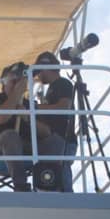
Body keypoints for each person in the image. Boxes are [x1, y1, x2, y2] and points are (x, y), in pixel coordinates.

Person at [0, 62, 66, 191]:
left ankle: (47, 184)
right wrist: (17, 93)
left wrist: (28, 117)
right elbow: (1, 118)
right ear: (3, 83)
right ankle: (21, 186)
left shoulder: (29, 104)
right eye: (13, 81)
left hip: (24, 147)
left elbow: (46, 132)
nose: (17, 84)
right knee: (10, 136)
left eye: (20, 82)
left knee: (56, 141)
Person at [33, 51, 77, 192]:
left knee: (62, 178)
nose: (38, 76)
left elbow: (64, 106)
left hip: (64, 140)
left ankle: (68, 205)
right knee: (54, 177)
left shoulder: (63, 83)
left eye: (38, 71)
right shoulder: (52, 88)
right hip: (55, 139)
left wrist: (35, 107)